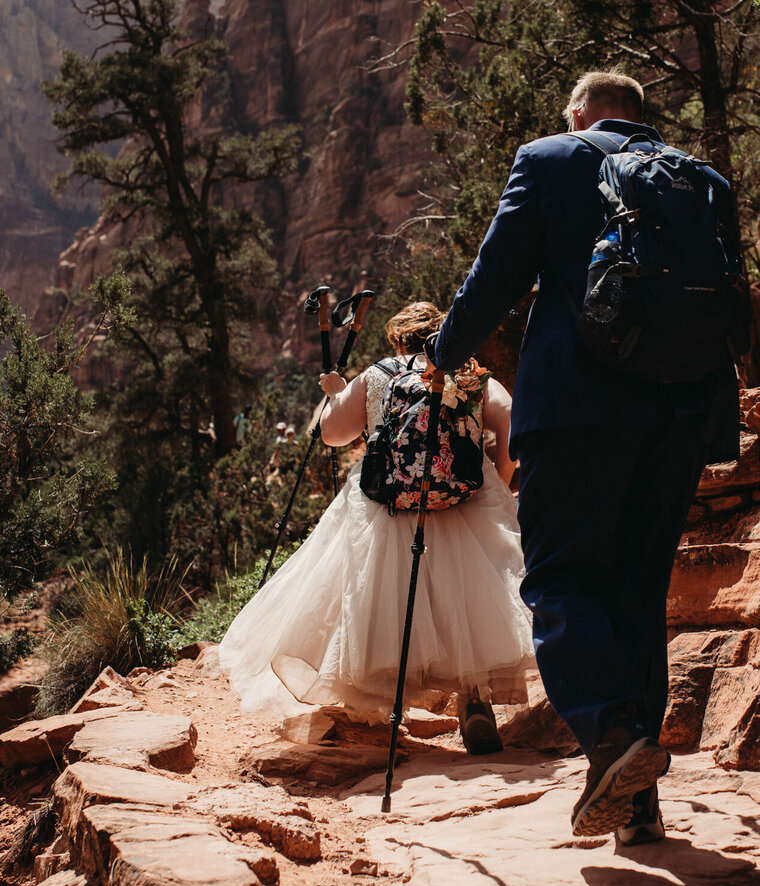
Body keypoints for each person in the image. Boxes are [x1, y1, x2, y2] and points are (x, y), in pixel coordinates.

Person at [433, 72, 740, 842]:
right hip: (678, 415)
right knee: (637, 596)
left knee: (562, 578)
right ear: (640, 117)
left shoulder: (549, 158)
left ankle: (609, 733)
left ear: (577, 114)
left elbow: (495, 278)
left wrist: (443, 354)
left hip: (575, 411)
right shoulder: (701, 178)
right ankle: (637, 806)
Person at [219, 300, 533, 753]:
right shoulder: (471, 375)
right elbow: (513, 425)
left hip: (390, 506)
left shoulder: (379, 374)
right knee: (469, 602)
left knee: (380, 597)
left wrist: (335, 393)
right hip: (463, 499)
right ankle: (476, 702)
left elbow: (331, 435)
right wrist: (497, 483)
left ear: (399, 338)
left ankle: (380, 714)